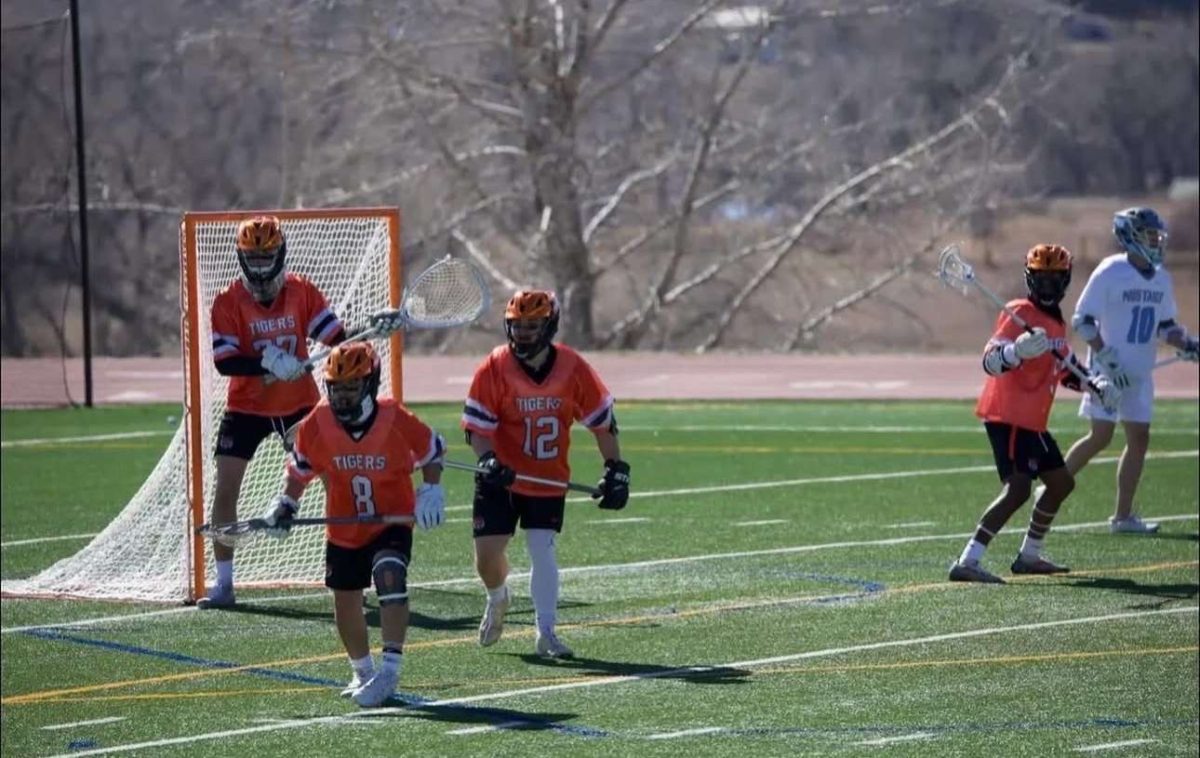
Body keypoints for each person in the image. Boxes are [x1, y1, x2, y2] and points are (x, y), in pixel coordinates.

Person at [260, 341, 447, 707]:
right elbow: (301, 471)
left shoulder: (395, 417)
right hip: (345, 527)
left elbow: (432, 450)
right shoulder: (318, 421)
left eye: (351, 387)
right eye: (336, 388)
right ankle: (362, 671)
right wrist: (286, 504)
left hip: (391, 520)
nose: (342, 396)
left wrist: (431, 490)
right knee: (346, 600)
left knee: (390, 575)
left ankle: (390, 672)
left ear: (369, 384)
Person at [460, 290, 630, 658]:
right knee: (487, 559)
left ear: (549, 325)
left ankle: (547, 631)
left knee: (542, 550)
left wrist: (615, 467)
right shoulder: (494, 366)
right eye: (517, 325)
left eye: (532, 325)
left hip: (546, 476)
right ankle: (497, 595)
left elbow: (602, 422)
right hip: (500, 475)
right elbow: (477, 428)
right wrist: (488, 460)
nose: (522, 333)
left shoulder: (572, 366)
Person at [949, 244, 1120, 584]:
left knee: (1060, 483)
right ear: (1029, 279)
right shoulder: (1017, 312)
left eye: (1054, 279)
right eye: (1040, 279)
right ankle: (968, 560)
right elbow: (990, 360)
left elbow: (1067, 369)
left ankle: (1028, 556)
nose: (1046, 286)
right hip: (1009, 416)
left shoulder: (1056, 324)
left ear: (1065, 280)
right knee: (1018, 490)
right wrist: (1016, 352)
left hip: (1033, 420)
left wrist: (1095, 385)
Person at [200, 215, 348, 608]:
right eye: (254, 257)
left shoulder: (301, 291)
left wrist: (355, 336)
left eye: (267, 256)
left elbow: (337, 339)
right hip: (246, 406)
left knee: (334, 478)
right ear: (242, 258)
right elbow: (225, 362)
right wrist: (269, 361)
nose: (262, 265)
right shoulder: (228, 301)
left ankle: (342, 569)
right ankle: (224, 582)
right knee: (226, 484)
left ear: (280, 254)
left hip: (300, 402)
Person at [1054, 207, 1199, 534]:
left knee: (1139, 438)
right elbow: (1083, 321)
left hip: (1140, 372)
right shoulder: (1110, 271)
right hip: (1109, 372)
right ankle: (1050, 489)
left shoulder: (1161, 277)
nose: (1157, 242)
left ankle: (1122, 517)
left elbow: (1164, 327)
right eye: (1150, 235)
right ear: (1130, 236)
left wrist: (1186, 343)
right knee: (1100, 436)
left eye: (1157, 236)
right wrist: (1106, 356)